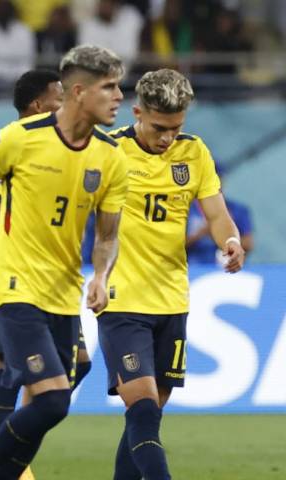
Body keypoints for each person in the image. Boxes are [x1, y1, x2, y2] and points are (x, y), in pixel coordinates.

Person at [0, 44, 128, 480]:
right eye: (109, 87)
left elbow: (108, 234)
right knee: (53, 399)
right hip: (13, 286)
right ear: (78, 91)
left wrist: (101, 275)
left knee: (56, 395)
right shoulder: (19, 138)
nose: (119, 96)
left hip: (63, 294)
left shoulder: (111, 157)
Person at [102, 69, 244, 480]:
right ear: (137, 112)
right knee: (143, 406)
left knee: (145, 418)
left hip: (172, 300)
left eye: (176, 127)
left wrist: (229, 242)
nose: (167, 138)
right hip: (120, 299)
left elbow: (215, 213)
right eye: (160, 127)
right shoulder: (108, 150)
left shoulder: (193, 152)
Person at [0, 69, 91, 480]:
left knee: (79, 364)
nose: (64, 102)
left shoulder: (67, 146)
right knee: (8, 371)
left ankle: (7, 451)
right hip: (15, 280)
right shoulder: (15, 142)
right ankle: (7, 470)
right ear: (36, 106)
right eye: (57, 96)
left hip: (57, 281)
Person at [187, 166, 254, 263]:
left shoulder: (237, 209)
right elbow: (171, 247)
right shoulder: (186, 209)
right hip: (193, 270)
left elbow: (248, 243)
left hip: (225, 269)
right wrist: (201, 233)